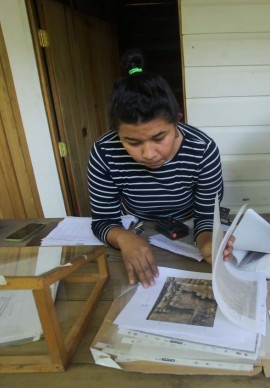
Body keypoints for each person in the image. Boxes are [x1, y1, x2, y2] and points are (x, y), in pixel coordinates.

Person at [88, 49, 232, 288]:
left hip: (188, 230)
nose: (148, 154)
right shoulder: (104, 152)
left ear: (177, 121)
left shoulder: (202, 149)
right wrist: (124, 238)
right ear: (117, 133)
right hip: (135, 228)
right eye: (132, 142)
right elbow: (103, 220)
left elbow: (206, 216)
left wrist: (208, 241)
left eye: (159, 137)